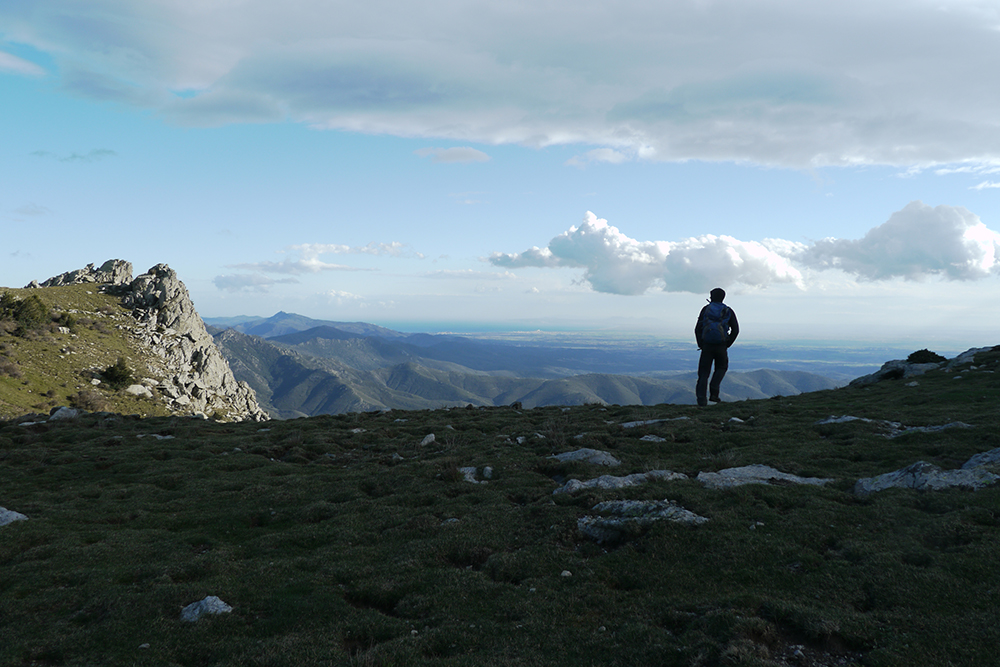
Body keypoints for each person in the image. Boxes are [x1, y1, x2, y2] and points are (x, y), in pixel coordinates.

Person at [694, 287, 739, 407]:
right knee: (721, 368)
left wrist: (701, 344)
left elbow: (697, 328)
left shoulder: (706, 309)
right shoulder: (728, 310)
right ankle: (714, 392)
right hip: (721, 346)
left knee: (703, 374)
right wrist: (727, 343)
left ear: (711, 296)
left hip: (707, 346)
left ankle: (702, 400)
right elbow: (735, 329)